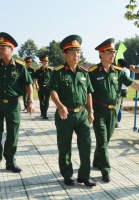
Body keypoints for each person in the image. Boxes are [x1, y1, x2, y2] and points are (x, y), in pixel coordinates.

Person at [89, 38, 139, 183]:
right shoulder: (93, 72)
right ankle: (105, 170)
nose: (112, 55)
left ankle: (97, 161)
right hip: (98, 110)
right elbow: (86, 91)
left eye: (113, 52)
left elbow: (133, 83)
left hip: (113, 111)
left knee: (106, 140)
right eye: (109, 52)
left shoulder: (119, 72)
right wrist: (88, 110)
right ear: (101, 53)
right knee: (102, 140)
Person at [49, 35, 96, 187]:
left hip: (82, 114)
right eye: (72, 52)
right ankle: (67, 175)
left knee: (86, 146)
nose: (76, 55)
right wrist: (60, 106)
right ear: (64, 55)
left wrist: (91, 111)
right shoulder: (58, 72)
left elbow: (89, 92)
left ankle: (84, 176)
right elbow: (53, 91)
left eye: (78, 52)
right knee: (64, 147)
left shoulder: (84, 73)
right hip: (65, 114)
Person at [0, 32, 35, 173]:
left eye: (4, 47)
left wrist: (31, 101)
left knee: (12, 134)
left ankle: (10, 161)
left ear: (11, 49)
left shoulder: (20, 67)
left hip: (13, 105)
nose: (0, 50)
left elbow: (28, 84)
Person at [115, 58, 130, 128]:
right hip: (125, 89)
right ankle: (117, 121)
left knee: (116, 105)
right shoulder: (127, 70)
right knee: (119, 105)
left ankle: (116, 121)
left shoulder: (119, 70)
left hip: (119, 89)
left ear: (119, 64)